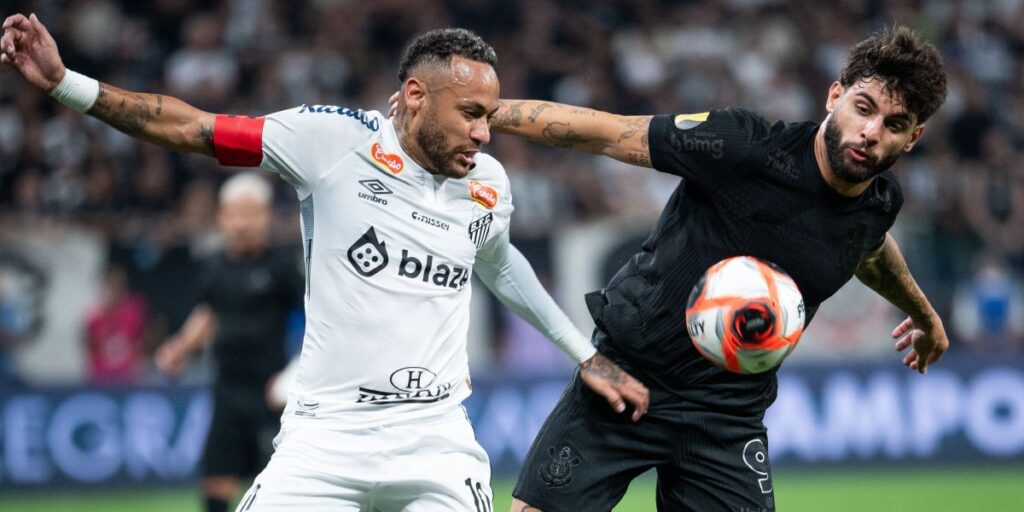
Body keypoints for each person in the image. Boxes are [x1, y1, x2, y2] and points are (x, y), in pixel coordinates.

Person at [2, 15, 649, 512]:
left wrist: (583, 354)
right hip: (323, 439)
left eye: (490, 117)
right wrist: (67, 84)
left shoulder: (488, 183)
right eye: (472, 114)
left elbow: (500, 264)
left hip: (436, 440)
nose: (485, 133)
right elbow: (194, 129)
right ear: (417, 95)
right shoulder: (332, 142)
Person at [485, 25, 949, 512]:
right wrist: (485, 113)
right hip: (625, 379)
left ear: (912, 138)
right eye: (864, 108)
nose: (872, 133)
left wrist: (924, 315)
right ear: (835, 96)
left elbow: (870, 249)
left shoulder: (878, 204)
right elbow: (606, 132)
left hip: (726, 418)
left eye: (894, 125)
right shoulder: (744, 146)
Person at [154, 172, 303, 512]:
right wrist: (180, 347)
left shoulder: (283, 267)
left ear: (266, 217)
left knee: (282, 489)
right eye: (235, 213)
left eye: (251, 213)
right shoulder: (214, 267)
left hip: (273, 396)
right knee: (216, 485)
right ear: (222, 217)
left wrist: (294, 374)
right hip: (227, 390)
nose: (242, 223)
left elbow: (312, 324)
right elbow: (208, 313)